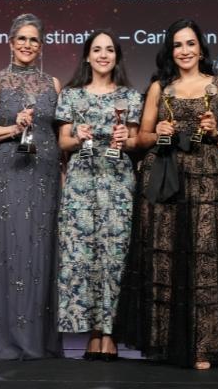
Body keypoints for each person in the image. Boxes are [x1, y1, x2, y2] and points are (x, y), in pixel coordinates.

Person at [117, 19, 218, 370]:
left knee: (205, 258)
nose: (185, 50)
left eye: (190, 43)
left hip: (206, 177)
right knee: (166, 259)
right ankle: (165, 343)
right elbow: (142, 138)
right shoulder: (160, 88)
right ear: (170, 51)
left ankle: (204, 346)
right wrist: (158, 130)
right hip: (165, 178)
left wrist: (215, 130)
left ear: (201, 48)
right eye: (178, 45)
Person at [0, 13, 63, 360]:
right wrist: (13, 128)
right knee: (13, 247)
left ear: (41, 46)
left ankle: (38, 339)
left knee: (41, 250)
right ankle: (7, 338)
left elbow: (60, 132)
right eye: (21, 39)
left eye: (33, 40)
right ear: (10, 43)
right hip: (10, 170)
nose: (27, 45)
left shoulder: (53, 83)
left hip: (46, 172)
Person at [54, 30, 143, 362]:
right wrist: (77, 136)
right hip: (81, 183)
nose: (103, 55)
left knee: (115, 257)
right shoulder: (71, 95)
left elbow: (136, 141)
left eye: (109, 50)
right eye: (97, 50)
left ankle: (110, 333)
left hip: (118, 182)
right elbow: (63, 143)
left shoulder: (130, 96)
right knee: (83, 257)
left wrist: (125, 138)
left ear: (116, 57)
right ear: (87, 57)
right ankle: (93, 333)